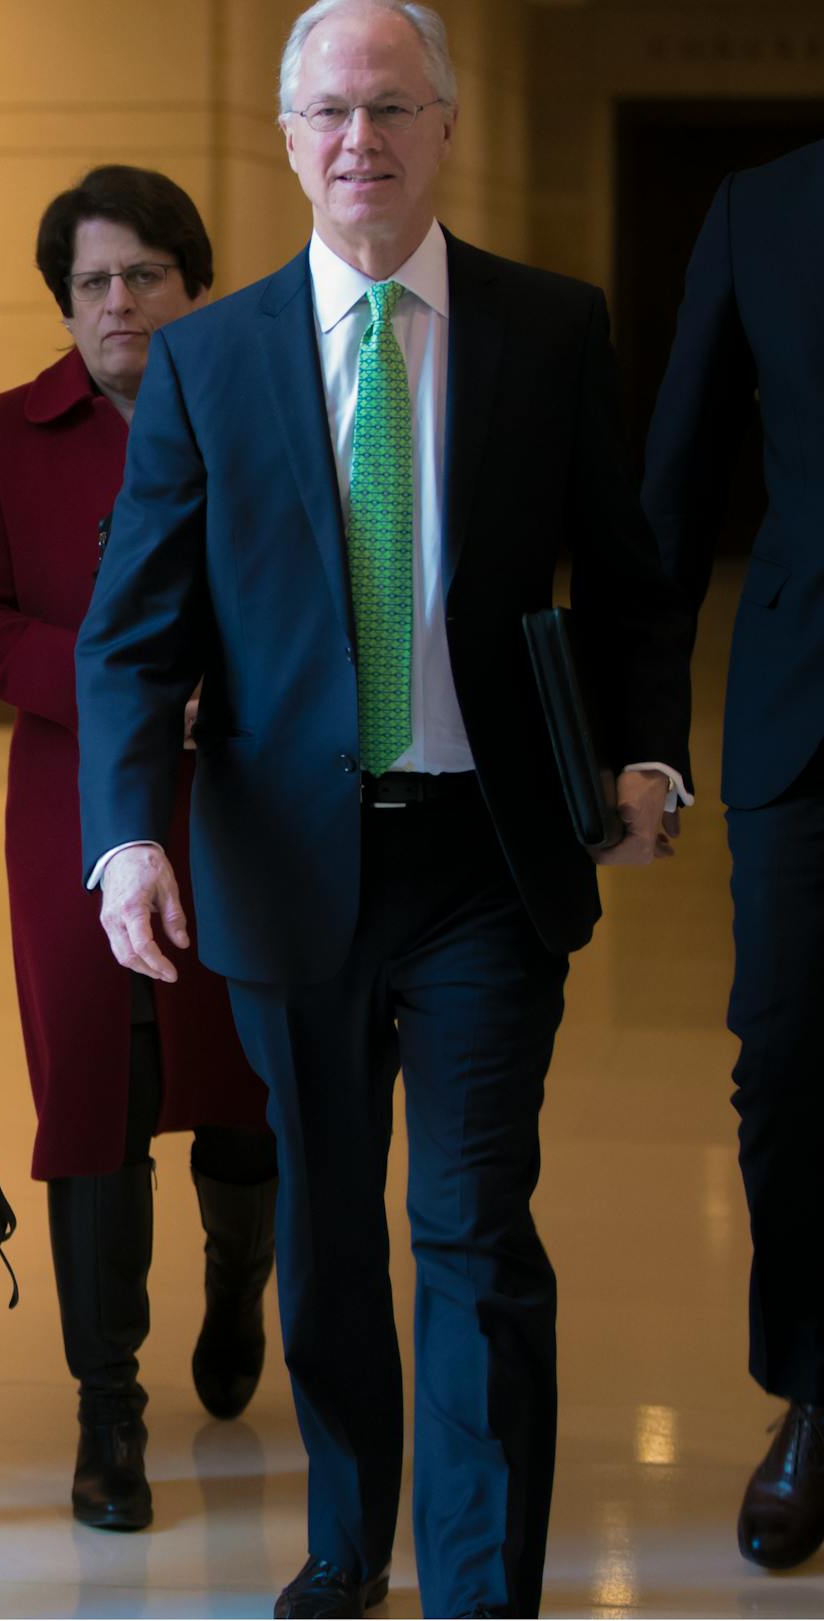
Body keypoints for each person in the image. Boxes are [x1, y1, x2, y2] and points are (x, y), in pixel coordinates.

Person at [73, 2, 694, 1614]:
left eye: (393, 108)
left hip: (489, 854)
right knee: (333, 1231)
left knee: (475, 1219)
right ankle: (351, 1538)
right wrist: (129, 835)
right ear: (288, 139)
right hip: (286, 865)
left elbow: (630, 582)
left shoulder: (550, 328)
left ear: (445, 128)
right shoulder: (208, 361)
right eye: (331, 113)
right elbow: (133, 633)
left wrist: (646, 755)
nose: (361, 140)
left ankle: (486, 1583)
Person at [0, 165, 277, 1534]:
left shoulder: (268, 409)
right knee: (93, 1090)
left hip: (245, 799)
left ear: (196, 288)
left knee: (241, 1076)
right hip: (73, 802)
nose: (119, 303)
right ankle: (108, 1405)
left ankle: (241, 1282)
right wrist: (117, 678)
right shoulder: (5, 432)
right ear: (64, 303)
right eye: (92, 284)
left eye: (145, 276)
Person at [643, 136, 824, 1575]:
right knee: (787, 1065)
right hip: (803, 709)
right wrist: (640, 733)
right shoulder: (760, 209)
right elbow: (680, 478)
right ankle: (816, 1389)